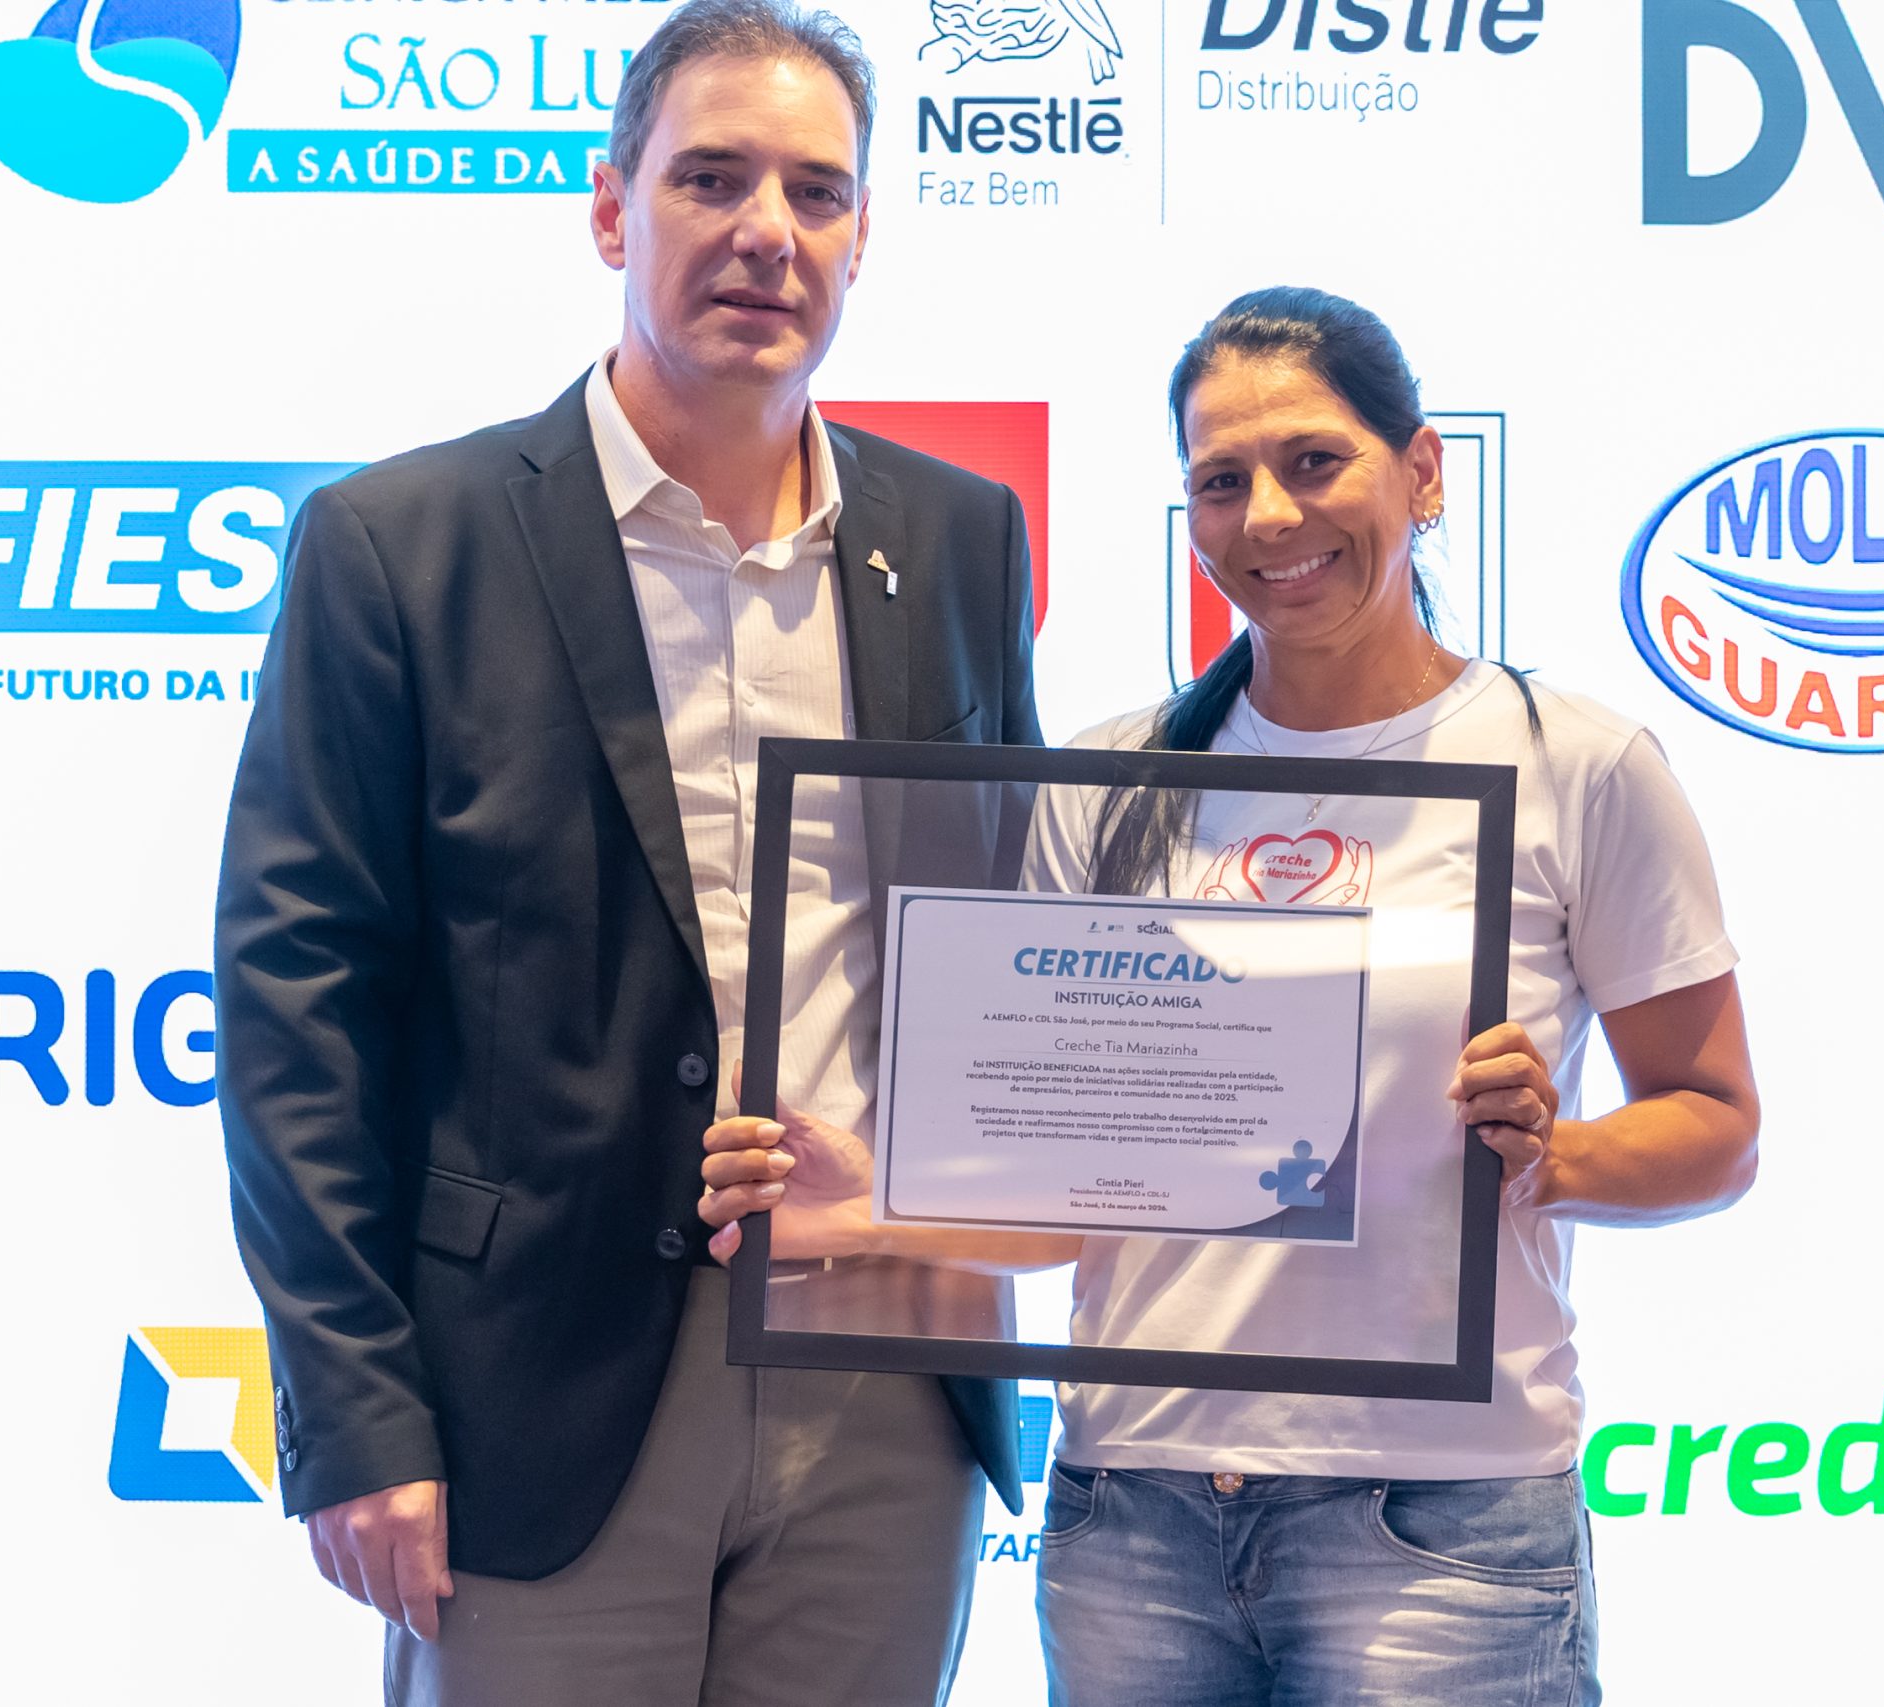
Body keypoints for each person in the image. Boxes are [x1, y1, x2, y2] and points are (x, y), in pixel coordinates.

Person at [697, 286, 1762, 1705]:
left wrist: (1551, 1157)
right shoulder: (1113, 780)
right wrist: (866, 1201)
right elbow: (1076, 1192)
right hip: (1132, 1515)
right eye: (1220, 481)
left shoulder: (1573, 763)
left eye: (1315, 461)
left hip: (1438, 1519)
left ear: (1423, 472)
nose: (1268, 515)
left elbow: (1715, 1124)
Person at [211, 4, 1041, 1703]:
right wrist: (356, 1408)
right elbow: (298, 1010)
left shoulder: (960, 537)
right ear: (610, 210)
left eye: (816, 192)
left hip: (890, 1376)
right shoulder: (401, 544)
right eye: (710, 179)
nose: (767, 232)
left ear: (864, 236)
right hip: (534, 1388)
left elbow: (1006, 937)